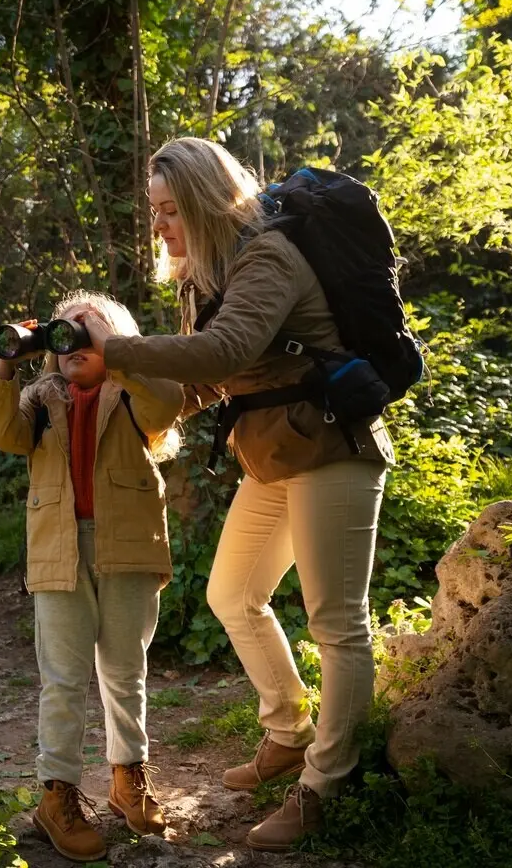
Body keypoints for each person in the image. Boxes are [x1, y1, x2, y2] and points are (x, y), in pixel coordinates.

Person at [78, 137, 395, 852]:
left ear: (201, 201)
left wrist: (116, 350)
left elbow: (226, 351)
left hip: (332, 448)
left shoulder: (267, 256)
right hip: (275, 455)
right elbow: (210, 382)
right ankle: (289, 731)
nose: (158, 225)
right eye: (153, 211)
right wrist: (127, 402)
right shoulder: (209, 274)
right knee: (232, 594)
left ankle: (326, 786)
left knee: (337, 621)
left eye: (168, 210)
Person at [0, 291, 190, 862]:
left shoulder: (134, 395)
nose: (73, 342)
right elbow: (0, 431)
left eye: (88, 333)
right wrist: (5, 363)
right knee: (64, 678)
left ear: (112, 341)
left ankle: (128, 779)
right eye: (64, 332)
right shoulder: (40, 398)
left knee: (125, 672)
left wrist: (117, 352)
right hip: (59, 552)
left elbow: (169, 402)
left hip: (129, 548)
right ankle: (58, 795)